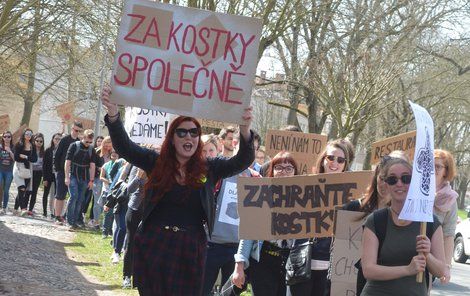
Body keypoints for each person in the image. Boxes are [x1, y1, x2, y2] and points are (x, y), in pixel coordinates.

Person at [102, 86, 255, 296]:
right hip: (155, 243)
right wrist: (112, 114)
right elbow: (125, 147)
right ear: (172, 138)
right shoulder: (155, 162)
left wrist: (245, 129)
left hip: (190, 248)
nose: (188, 137)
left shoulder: (210, 168)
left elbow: (243, 160)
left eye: (194, 132)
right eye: (181, 132)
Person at [360, 157, 446, 295]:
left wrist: (427, 254)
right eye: (392, 180)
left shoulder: (429, 222)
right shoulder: (376, 220)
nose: (399, 184)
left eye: (406, 178)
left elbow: (441, 271)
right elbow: (368, 270)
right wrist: (407, 269)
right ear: (386, 184)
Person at [342, 151, 409, 295]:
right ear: (375, 178)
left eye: (391, 179)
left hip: (392, 284)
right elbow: (341, 251)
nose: (385, 183)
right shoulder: (353, 208)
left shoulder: (408, 217)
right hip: (354, 282)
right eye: (383, 177)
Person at [232, 151, 298, 296]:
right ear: (272, 170)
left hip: (289, 263)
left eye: (289, 168)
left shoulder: (303, 200)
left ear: (295, 172)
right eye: (279, 167)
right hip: (263, 261)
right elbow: (248, 233)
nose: (284, 172)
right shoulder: (261, 194)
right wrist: (239, 265)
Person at [202, 140, 259, 295]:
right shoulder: (218, 173)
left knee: (230, 293)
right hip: (211, 244)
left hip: (237, 249)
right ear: (235, 145)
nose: (247, 153)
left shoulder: (256, 179)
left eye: (252, 150)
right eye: (244, 148)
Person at [433, 149, 458, 284]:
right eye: (430, 165)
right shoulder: (413, 190)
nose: (433, 169)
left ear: (446, 171)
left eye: (438, 166)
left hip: (429, 259)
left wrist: (446, 267)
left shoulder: (450, 199)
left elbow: (448, 235)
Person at [64, 129, 97, 230]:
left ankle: (75, 221)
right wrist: (66, 177)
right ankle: (69, 221)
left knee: (80, 200)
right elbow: (67, 162)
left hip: (84, 177)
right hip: (73, 174)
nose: (88, 144)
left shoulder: (92, 150)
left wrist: (91, 181)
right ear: (83, 137)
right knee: (73, 196)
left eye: (90, 142)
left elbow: (92, 166)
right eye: (87, 141)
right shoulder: (74, 146)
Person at [122, 164, 148, 289]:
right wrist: (138, 177)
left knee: (144, 246)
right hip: (134, 211)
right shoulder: (139, 172)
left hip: (149, 213)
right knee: (131, 243)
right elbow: (129, 190)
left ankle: (138, 279)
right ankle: (126, 276)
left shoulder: (160, 174)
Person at [54, 120, 83, 224]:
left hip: (74, 172)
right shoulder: (64, 140)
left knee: (72, 195)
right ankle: (57, 216)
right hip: (62, 171)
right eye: (76, 130)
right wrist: (57, 169)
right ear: (72, 129)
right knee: (60, 194)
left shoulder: (80, 142)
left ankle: (65, 216)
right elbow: (56, 155)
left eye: (79, 131)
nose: (77, 132)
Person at [100, 149, 126, 239]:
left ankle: (111, 231)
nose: (114, 155)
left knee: (115, 213)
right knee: (108, 212)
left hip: (118, 192)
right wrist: (109, 182)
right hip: (108, 190)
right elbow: (101, 177)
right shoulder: (106, 165)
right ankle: (104, 231)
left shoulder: (122, 164)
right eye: (113, 153)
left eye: (116, 153)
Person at [89, 136, 112, 228]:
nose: (107, 148)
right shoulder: (97, 152)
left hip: (109, 180)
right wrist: (101, 169)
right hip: (98, 178)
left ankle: (105, 223)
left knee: (108, 201)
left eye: (109, 146)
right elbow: (92, 165)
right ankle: (96, 221)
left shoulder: (114, 153)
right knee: (97, 201)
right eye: (106, 146)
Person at [13, 128, 37, 216]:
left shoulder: (32, 146)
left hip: (27, 169)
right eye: (27, 134)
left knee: (22, 191)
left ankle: (15, 209)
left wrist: (25, 157)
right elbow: (16, 158)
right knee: (21, 187)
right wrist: (22, 157)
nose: (28, 136)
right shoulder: (19, 144)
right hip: (18, 167)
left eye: (30, 134)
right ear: (24, 134)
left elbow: (34, 159)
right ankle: (23, 209)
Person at [42, 133, 62, 218]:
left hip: (57, 176)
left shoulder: (62, 150)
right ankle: (44, 212)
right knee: (46, 194)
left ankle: (54, 213)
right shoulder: (48, 150)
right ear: (53, 139)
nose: (57, 140)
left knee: (56, 195)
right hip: (48, 175)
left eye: (59, 139)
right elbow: (44, 165)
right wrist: (44, 178)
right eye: (56, 139)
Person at [28, 133, 45, 214]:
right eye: (37, 140)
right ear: (34, 141)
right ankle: (24, 207)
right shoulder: (30, 150)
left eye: (41, 141)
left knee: (34, 191)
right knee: (28, 190)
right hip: (30, 172)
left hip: (38, 173)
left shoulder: (44, 152)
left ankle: (30, 209)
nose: (39, 142)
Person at [0, 131, 15, 214]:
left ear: (11, 138)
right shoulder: (0, 147)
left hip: (9, 171)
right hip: (1, 170)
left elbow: (15, 159)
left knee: (6, 190)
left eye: (9, 137)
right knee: (0, 186)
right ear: (3, 138)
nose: (7, 138)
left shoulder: (13, 147)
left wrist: (9, 151)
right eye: (5, 136)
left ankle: (5, 207)